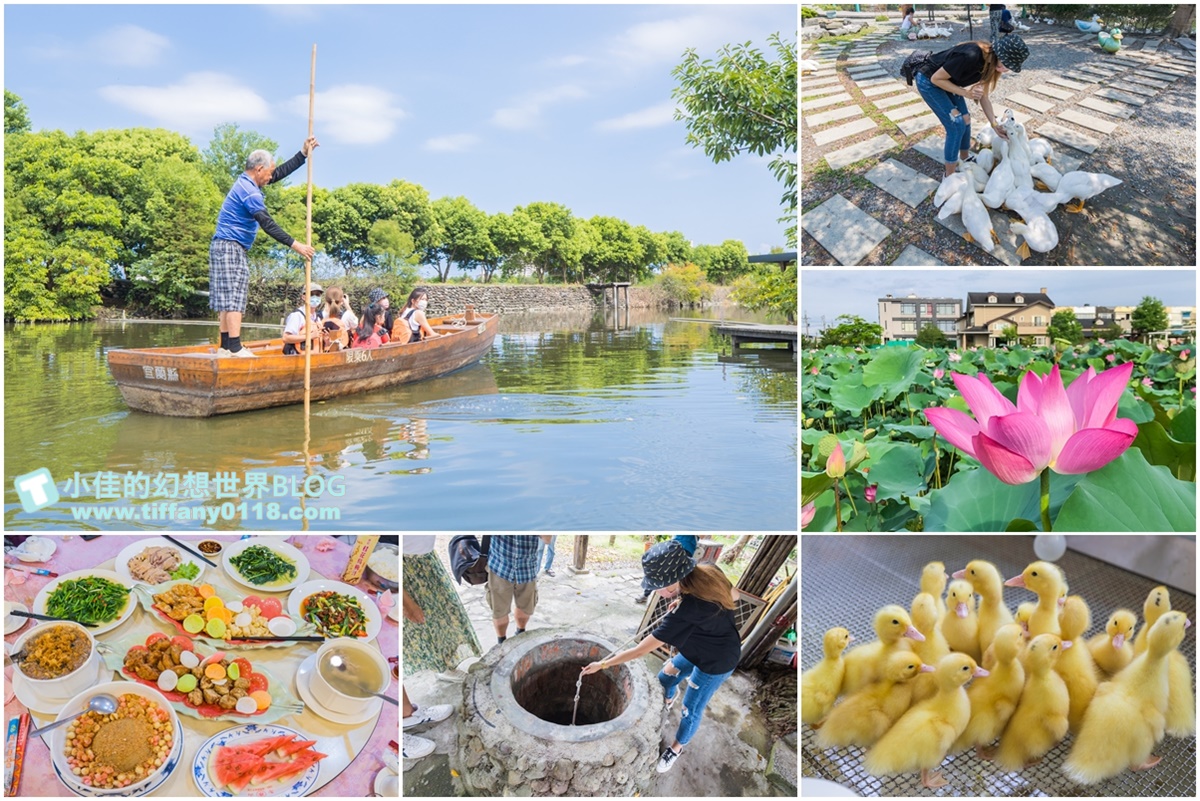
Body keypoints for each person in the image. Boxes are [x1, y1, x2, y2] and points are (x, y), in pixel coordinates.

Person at [582, 540, 741, 774]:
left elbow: (639, 651)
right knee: (665, 678)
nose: (654, 590)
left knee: (691, 708)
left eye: (656, 585)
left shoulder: (685, 614)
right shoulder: (707, 570)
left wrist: (603, 663)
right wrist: (684, 599)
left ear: (672, 582)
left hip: (716, 661)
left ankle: (676, 748)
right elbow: (734, 595)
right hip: (697, 644)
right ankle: (668, 698)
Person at [210, 140, 318, 357]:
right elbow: (266, 223)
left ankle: (225, 347)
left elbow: (277, 174)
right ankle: (234, 347)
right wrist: (295, 245)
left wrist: (302, 154)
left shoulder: (248, 182)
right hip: (231, 246)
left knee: (226, 297)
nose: (271, 177)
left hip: (223, 246)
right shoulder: (249, 192)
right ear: (258, 169)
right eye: (268, 172)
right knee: (233, 297)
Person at [402, 534, 484, 760]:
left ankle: (406, 712)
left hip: (424, 560)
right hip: (403, 570)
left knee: (442, 622)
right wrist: (406, 602)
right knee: (399, 644)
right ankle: (394, 732)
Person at [914, 35, 1028, 178]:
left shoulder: (991, 64)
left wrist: (994, 124)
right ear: (998, 53)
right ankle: (949, 176)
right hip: (929, 81)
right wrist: (966, 93)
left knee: (966, 119)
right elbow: (936, 79)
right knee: (956, 124)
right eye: (1006, 63)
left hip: (948, 82)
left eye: (1009, 66)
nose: (1006, 69)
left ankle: (965, 157)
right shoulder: (971, 55)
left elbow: (983, 97)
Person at [486, 535, 552, 644]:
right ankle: (501, 643)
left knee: (525, 609)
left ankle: (520, 634)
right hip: (500, 565)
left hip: (527, 567)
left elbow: (547, 539)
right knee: (499, 611)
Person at [636, 535, 698, 604]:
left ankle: (647, 594)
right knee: (658, 573)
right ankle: (646, 594)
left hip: (684, 549)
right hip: (671, 548)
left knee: (668, 577)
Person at [281, 284, 323, 356]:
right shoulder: (297, 316)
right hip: (298, 359)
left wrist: (326, 339)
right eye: (311, 294)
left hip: (315, 359)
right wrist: (309, 336)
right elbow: (286, 338)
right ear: (304, 297)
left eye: (318, 294)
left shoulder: (318, 318)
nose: (315, 297)